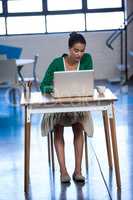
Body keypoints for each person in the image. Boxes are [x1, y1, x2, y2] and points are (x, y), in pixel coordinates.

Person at [40, 32, 93, 183]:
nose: (80, 54)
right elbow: (43, 85)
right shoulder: (57, 62)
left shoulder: (87, 59)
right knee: (58, 128)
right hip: (59, 106)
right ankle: (63, 171)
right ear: (69, 49)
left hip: (77, 105)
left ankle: (78, 171)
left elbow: (87, 81)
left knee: (78, 127)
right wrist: (54, 89)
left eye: (82, 50)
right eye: (76, 50)